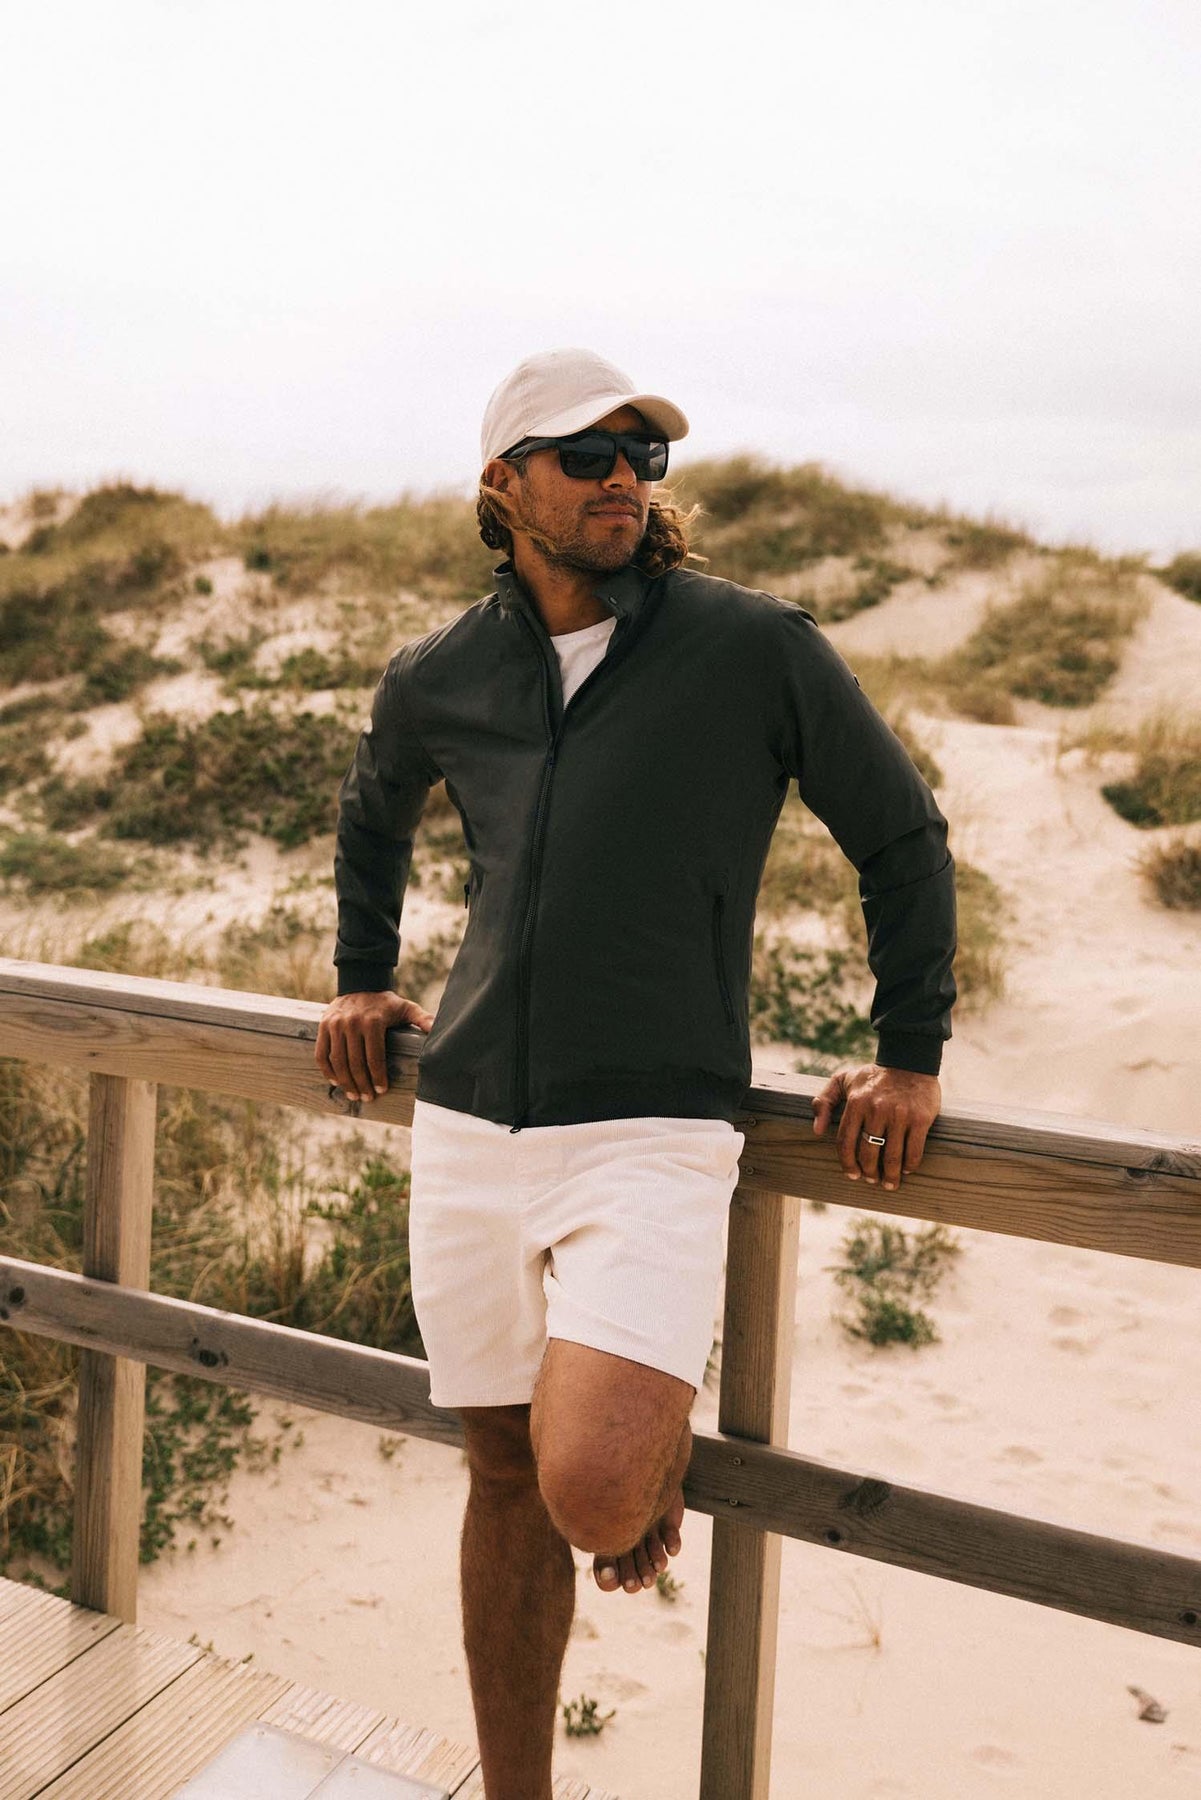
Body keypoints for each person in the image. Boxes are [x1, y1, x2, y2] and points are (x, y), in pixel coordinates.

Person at [316, 347, 956, 1799]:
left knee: (593, 1493)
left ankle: (637, 1456)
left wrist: (907, 1056)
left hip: (654, 1126)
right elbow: (371, 810)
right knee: (500, 1474)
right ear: (505, 485)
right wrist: (361, 974)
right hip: (466, 1121)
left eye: (643, 455)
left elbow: (901, 835)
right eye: (587, 454)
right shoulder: (442, 672)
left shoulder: (751, 647)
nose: (624, 479)